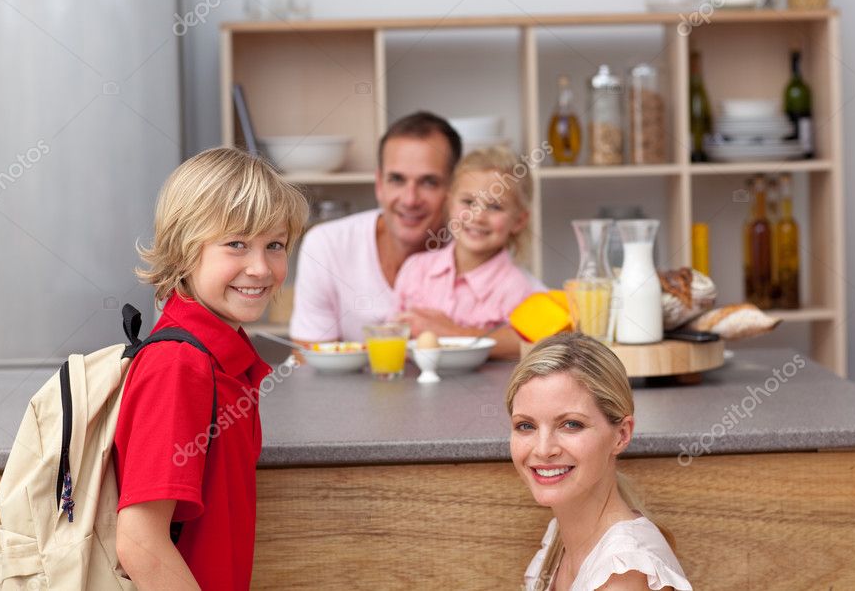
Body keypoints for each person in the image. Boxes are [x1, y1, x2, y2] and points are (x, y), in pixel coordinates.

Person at [113, 147, 308, 590]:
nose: (260, 268)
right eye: (236, 244)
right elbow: (140, 541)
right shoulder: (180, 365)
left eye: (274, 245)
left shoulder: (221, 354)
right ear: (184, 248)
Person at [506, 332, 692, 591]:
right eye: (526, 425)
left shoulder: (622, 578)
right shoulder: (562, 536)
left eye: (571, 424)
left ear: (621, 435)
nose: (543, 448)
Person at [289, 111, 462, 343]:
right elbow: (308, 360)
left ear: (453, 188)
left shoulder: (474, 246)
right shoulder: (327, 244)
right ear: (379, 185)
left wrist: (456, 333)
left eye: (429, 182)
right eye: (397, 180)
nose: (410, 199)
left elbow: (526, 338)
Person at [393, 145, 542, 359]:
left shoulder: (519, 290)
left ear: (519, 221)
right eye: (468, 202)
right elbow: (393, 336)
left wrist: (449, 331)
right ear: (450, 204)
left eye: (495, 207)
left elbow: (531, 345)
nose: (478, 216)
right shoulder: (415, 269)